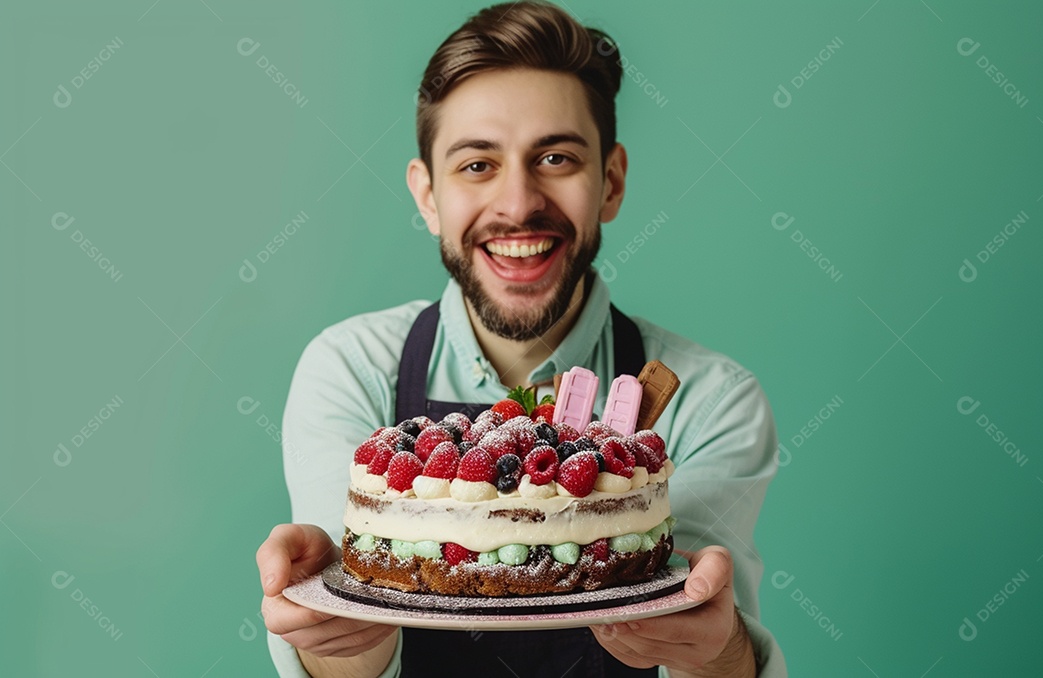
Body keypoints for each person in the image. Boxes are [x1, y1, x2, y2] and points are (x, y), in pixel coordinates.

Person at [255, 2, 787, 676]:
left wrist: (722, 650)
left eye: (556, 157)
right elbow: (352, 647)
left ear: (611, 182)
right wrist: (334, 635)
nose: (517, 203)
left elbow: (703, 640)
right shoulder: (351, 367)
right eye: (477, 165)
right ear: (427, 196)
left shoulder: (712, 400)